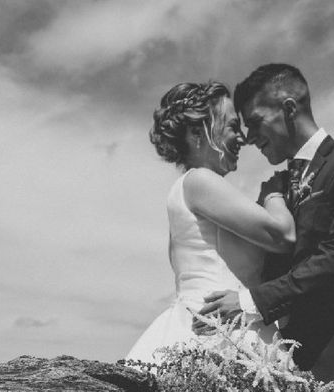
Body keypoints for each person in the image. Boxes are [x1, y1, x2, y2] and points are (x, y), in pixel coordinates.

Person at [199, 64, 334, 392]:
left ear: (288, 109)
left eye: (255, 122)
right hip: (273, 369)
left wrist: (252, 301)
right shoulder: (274, 188)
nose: (250, 137)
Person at [125, 81, 296, 363]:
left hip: (224, 323)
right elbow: (282, 235)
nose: (241, 137)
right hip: (218, 336)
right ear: (196, 132)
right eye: (231, 126)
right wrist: (274, 192)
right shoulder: (200, 181)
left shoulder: (192, 188)